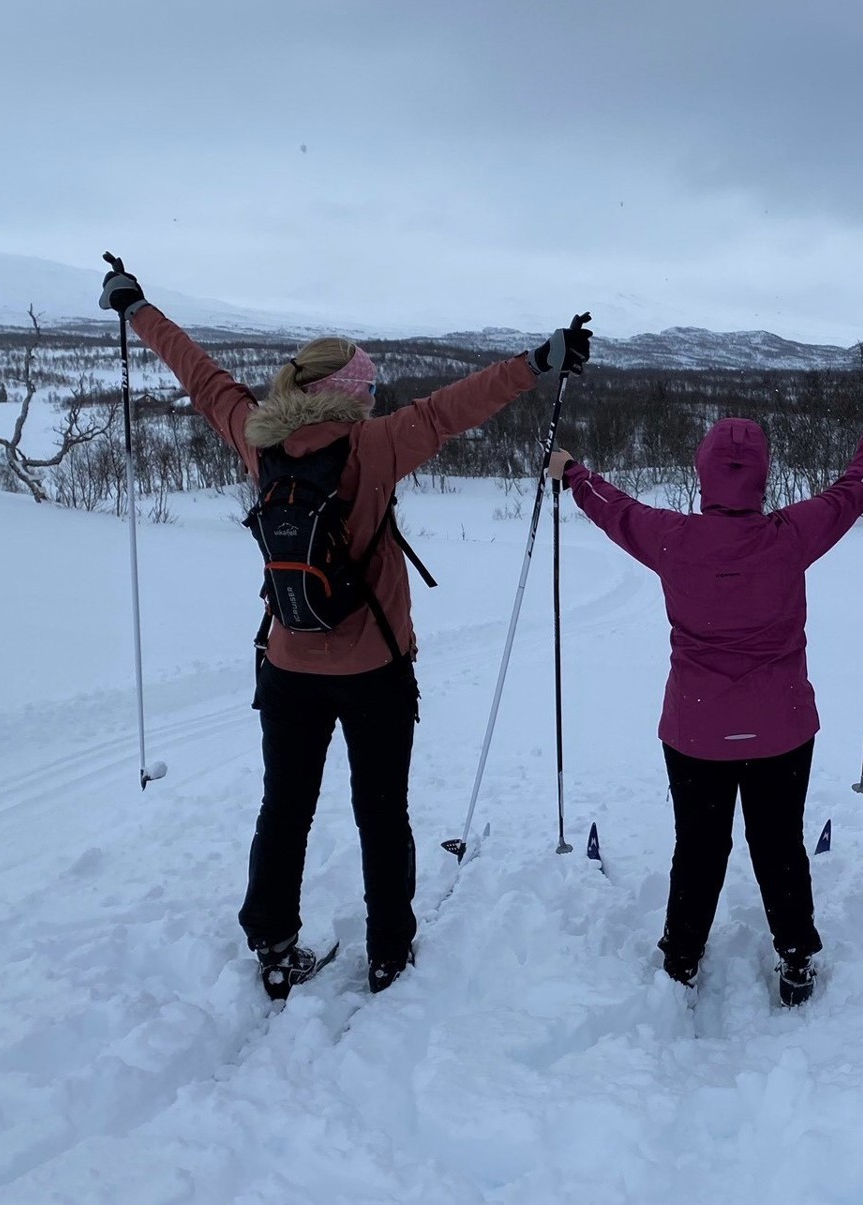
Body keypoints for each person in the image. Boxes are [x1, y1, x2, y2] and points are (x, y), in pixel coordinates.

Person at [99, 262, 590, 1000]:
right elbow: (456, 407)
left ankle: (272, 938)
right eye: (363, 390)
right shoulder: (378, 446)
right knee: (382, 811)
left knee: (285, 807)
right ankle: (389, 949)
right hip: (377, 669)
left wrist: (135, 306)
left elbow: (198, 373)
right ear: (346, 396)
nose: (371, 399)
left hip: (289, 663)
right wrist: (538, 363)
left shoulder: (254, 437)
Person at [546, 378, 863, 1006]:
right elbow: (856, 489)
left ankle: (682, 958)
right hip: (781, 729)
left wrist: (572, 471)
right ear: (763, 478)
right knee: (778, 845)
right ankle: (795, 957)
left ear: (703, 474)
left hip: (696, 731)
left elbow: (613, 507)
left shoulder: (673, 537)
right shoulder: (790, 534)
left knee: (699, 846)